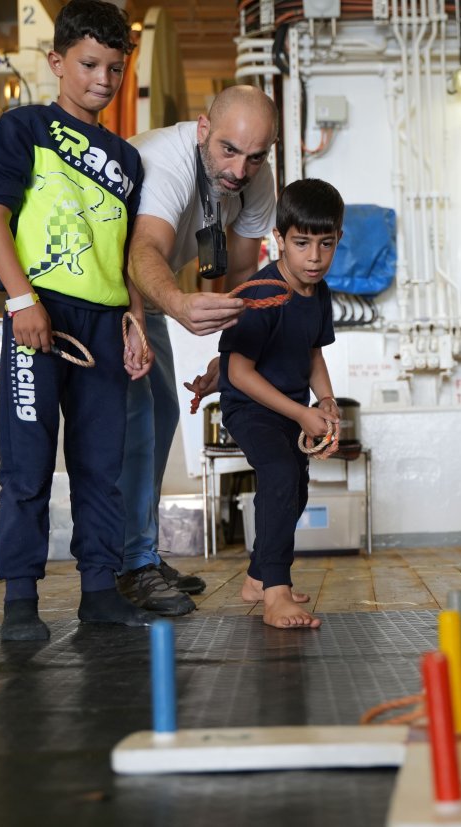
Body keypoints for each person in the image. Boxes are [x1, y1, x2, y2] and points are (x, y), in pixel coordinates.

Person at [0, 0, 153, 641]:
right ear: (57, 62)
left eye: (113, 67)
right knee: (25, 466)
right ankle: (20, 599)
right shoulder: (24, 127)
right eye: (87, 64)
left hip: (105, 326)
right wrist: (22, 301)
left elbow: (127, 252)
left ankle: (99, 591)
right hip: (39, 316)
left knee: (101, 466)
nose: (101, 80)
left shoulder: (128, 162)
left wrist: (135, 322)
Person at [118, 86, 281, 615]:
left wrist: (228, 355)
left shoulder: (254, 179)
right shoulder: (164, 161)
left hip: (149, 290)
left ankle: (141, 551)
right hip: (108, 284)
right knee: (136, 419)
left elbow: (240, 276)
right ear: (203, 130)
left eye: (256, 156)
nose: (239, 169)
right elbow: (143, 251)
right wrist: (180, 305)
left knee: (163, 414)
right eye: (229, 151)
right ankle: (129, 564)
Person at [217, 179, 345, 629]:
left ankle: (258, 577)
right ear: (279, 240)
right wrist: (300, 413)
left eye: (325, 244)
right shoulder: (261, 293)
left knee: (296, 488)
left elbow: (313, 354)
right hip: (249, 407)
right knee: (279, 474)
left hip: (290, 409)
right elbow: (237, 372)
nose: (314, 257)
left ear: (337, 241)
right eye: (302, 243)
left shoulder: (319, 292)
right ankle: (276, 593)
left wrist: (324, 400)